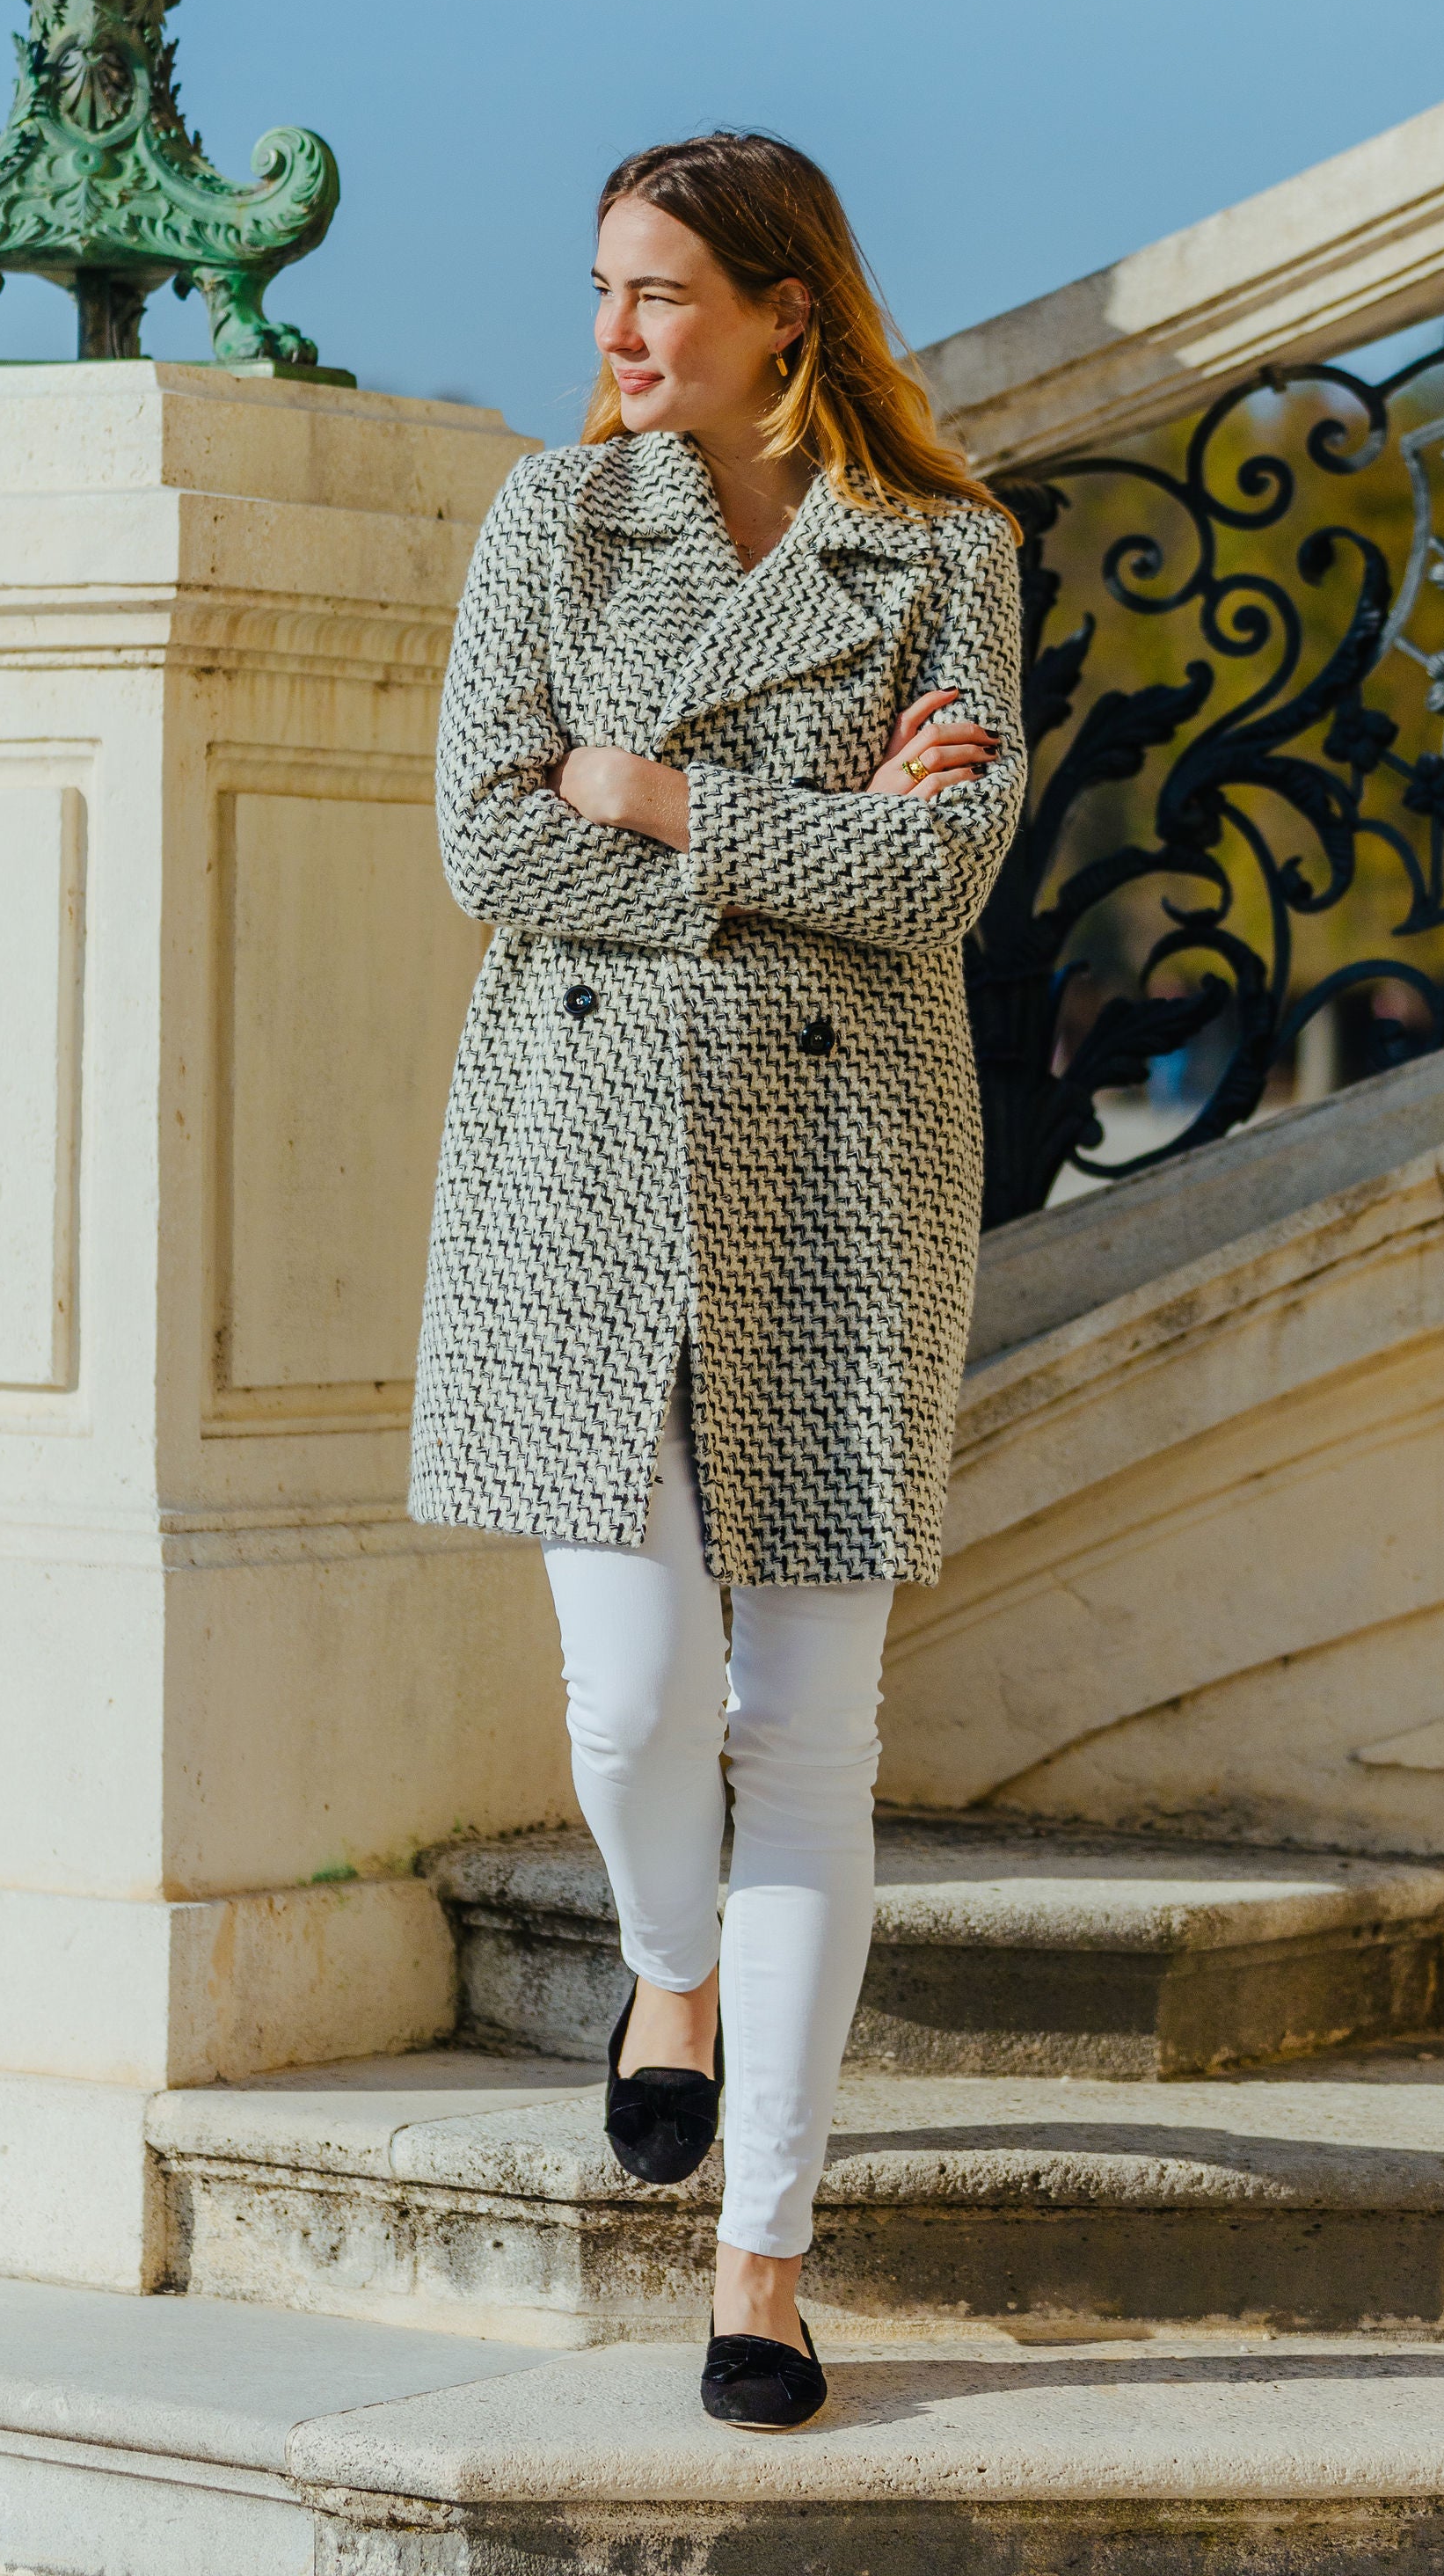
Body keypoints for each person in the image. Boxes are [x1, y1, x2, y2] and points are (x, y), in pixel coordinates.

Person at [412, 130, 1025, 2427]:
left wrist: (657, 796)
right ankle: (665, 1967)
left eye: (659, 290)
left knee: (812, 1740)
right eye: (603, 288)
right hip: (578, 1165)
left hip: (845, 1171)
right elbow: (486, 839)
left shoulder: (945, 554)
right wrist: (814, 837)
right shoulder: (552, 523)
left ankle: (763, 2256)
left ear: (787, 306)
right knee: (632, 1702)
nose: (615, 332)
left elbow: (938, 886)